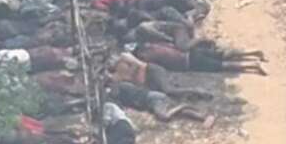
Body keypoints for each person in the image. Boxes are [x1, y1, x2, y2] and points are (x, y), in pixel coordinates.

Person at [108, 52, 213, 99]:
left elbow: (137, 64)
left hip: (150, 71)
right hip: (148, 82)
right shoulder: (116, 76)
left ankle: (198, 91)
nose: (111, 62)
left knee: (169, 90)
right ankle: (192, 94)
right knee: (170, 94)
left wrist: (129, 75)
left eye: (110, 59)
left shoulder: (124, 57)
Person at [136, 40, 267, 75]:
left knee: (222, 66)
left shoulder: (147, 57)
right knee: (224, 55)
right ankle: (253, 52)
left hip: (190, 62)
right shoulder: (157, 44)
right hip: (192, 52)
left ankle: (252, 65)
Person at [109, 82, 211, 124]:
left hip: (153, 99)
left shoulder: (119, 86)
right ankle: (202, 117)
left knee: (164, 117)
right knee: (177, 114)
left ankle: (183, 105)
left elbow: (116, 95)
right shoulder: (119, 88)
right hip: (151, 102)